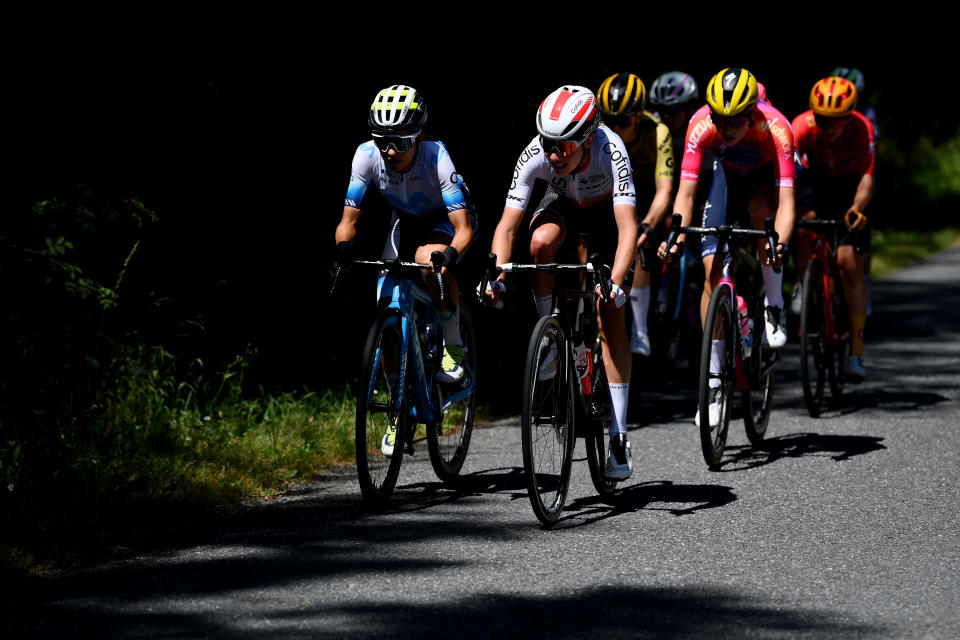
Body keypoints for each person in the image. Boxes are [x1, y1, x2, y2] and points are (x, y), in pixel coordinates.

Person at [483, 85, 638, 480]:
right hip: (563, 202)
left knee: (610, 314)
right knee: (539, 243)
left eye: (564, 147)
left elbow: (626, 229)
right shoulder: (537, 154)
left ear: (588, 137)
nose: (553, 154)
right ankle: (549, 335)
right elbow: (508, 225)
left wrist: (616, 283)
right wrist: (497, 275)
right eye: (548, 143)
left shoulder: (610, 148)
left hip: (605, 212)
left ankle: (618, 433)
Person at [334, 84, 478, 455]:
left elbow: (464, 229)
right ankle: (398, 408)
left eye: (399, 140)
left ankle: (454, 343)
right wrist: (344, 250)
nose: (390, 150)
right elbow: (348, 220)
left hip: (444, 221)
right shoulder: (366, 156)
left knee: (430, 261)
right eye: (383, 141)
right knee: (387, 309)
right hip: (406, 221)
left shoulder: (435, 157)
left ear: (419, 135)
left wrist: (449, 257)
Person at [657, 68, 796, 428]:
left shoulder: (777, 127)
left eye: (735, 119)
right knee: (712, 279)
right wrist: (676, 237)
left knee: (763, 216)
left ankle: (775, 305)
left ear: (753, 113)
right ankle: (715, 385)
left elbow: (787, 202)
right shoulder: (701, 125)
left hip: (766, 180)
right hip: (726, 177)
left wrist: (777, 245)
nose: (726, 126)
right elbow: (685, 195)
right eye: (720, 118)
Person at [790, 76, 876, 383]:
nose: (827, 127)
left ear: (849, 117)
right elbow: (788, 175)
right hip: (815, 185)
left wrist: (857, 209)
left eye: (835, 121)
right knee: (801, 224)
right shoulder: (800, 127)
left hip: (849, 191)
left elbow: (867, 177)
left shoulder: (861, 128)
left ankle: (856, 352)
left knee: (848, 265)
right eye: (822, 119)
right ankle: (804, 281)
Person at [596, 72, 674, 356]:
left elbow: (665, 190)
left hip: (642, 195)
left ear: (640, 118)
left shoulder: (658, 132)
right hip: (606, 194)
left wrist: (649, 225)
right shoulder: (596, 132)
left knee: (639, 244)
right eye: (609, 120)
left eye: (624, 122)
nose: (614, 128)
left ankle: (641, 330)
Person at [830, 66, 878, 318]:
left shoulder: (865, 117)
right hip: (830, 174)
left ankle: (864, 277)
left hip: (857, 172)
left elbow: (869, 153)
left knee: (860, 225)